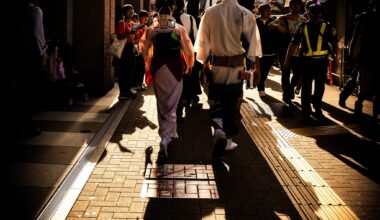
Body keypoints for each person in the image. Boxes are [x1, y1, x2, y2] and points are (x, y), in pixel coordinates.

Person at [194, 0, 262, 159]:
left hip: (216, 66)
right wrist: (257, 68)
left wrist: (205, 63)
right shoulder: (245, 13)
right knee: (233, 104)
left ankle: (218, 130)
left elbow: (203, 42)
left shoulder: (210, 12)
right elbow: (254, 44)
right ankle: (228, 138)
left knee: (217, 101)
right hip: (237, 68)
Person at [139, 2, 194, 159]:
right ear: (172, 10)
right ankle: (165, 138)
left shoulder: (152, 29)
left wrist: (148, 62)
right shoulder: (178, 28)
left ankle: (170, 132)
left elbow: (143, 47)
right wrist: (189, 65)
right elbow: (188, 50)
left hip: (158, 68)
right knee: (172, 104)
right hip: (174, 68)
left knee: (162, 102)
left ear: (157, 10)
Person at [284, 3, 339, 122]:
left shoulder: (328, 26)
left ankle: (317, 107)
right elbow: (293, 44)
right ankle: (306, 110)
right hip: (306, 62)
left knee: (319, 87)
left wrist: (337, 58)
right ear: (308, 14)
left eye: (317, 16)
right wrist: (287, 60)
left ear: (321, 15)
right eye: (312, 16)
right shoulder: (302, 27)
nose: (314, 19)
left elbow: (335, 44)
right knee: (306, 87)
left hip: (321, 62)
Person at [12, 0, 48, 138]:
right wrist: (43, 53)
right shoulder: (36, 11)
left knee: (20, 90)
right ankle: (27, 125)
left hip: (17, 55)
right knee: (30, 91)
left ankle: (18, 124)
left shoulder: (17, 11)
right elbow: (38, 35)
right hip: (31, 56)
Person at [269, 0, 306, 104]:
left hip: (299, 52)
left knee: (298, 74)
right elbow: (270, 25)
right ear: (290, 7)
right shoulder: (283, 18)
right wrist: (279, 27)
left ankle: (290, 88)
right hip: (285, 51)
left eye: (297, 5)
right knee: (285, 73)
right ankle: (286, 94)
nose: (295, 7)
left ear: (300, 7)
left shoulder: (303, 20)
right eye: (293, 5)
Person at [348, 0, 378, 122]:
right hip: (366, 58)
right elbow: (356, 36)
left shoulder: (364, 17)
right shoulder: (364, 18)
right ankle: (359, 104)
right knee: (365, 88)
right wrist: (352, 55)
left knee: (374, 89)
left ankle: (375, 117)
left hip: (368, 58)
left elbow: (356, 37)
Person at [173, 0, 201, 120]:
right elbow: (196, 37)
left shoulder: (169, 19)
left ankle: (176, 107)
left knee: (175, 80)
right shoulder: (190, 18)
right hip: (188, 52)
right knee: (188, 76)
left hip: (173, 54)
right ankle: (187, 98)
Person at [115, 4, 137, 99]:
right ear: (124, 13)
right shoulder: (121, 23)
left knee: (130, 69)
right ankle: (122, 92)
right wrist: (130, 33)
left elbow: (132, 38)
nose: (131, 12)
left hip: (130, 47)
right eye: (129, 10)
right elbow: (119, 37)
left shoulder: (132, 23)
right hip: (124, 48)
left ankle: (127, 90)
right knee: (123, 70)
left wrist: (134, 35)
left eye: (132, 10)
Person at [256, 3, 277, 97]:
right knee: (260, 70)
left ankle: (260, 83)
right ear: (261, 12)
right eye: (266, 10)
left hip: (271, 51)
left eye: (270, 10)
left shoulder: (274, 21)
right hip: (258, 51)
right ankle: (261, 88)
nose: (269, 12)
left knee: (265, 71)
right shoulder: (255, 21)